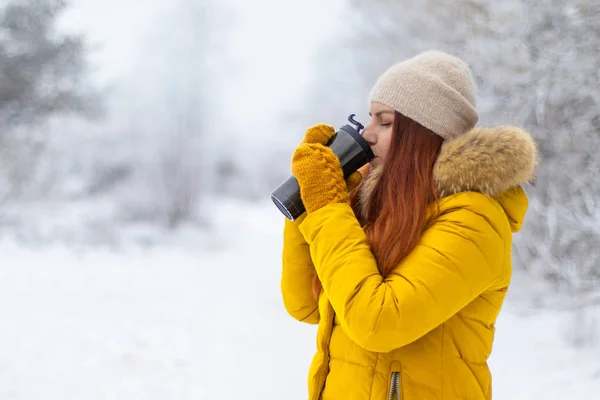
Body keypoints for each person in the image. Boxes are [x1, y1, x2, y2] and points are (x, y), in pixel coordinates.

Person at [280, 50, 537, 400]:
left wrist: (327, 208)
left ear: (425, 134)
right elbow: (306, 305)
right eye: (370, 119)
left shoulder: (475, 221)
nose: (368, 134)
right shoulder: (380, 205)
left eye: (385, 123)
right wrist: (308, 202)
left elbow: (377, 324)